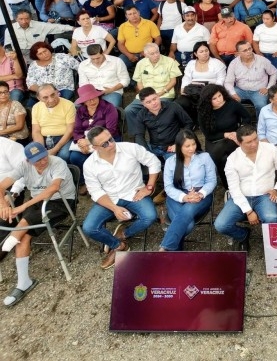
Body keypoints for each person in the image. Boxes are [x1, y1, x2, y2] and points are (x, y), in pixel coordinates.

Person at [0, 142, 76, 307]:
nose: (42, 161)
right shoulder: (23, 165)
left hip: (61, 202)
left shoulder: (57, 162)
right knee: (24, 236)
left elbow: (53, 188)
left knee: (23, 224)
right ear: (28, 161)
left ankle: (9, 241)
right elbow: (1, 186)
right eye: (37, 160)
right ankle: (23, 282)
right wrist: (3, 205)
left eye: (43, 157)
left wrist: (23, 206)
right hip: (37, 203)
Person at [82, 127, 160, 269]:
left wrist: (149, 187)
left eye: (111, 139)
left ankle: (123, 234)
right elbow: (95, 191)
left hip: (133, 193)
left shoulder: (130, 148)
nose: (111, 144)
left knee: (150, 216)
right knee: (89, 227)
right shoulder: (89, 165)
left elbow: (154, 162)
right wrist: (114, 208)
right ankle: (118, 245)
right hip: (109, 198)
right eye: (105, 144)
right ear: (95, 147)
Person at [214, 125, 277, 251]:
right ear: (239, 143)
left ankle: (271, 238)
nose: (254, 144)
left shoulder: (271, 149)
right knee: (220, 225)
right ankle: (243, 235)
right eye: (249, 142)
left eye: (255, 139)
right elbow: (234, 189)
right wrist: (249, 211)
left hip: (265, 195)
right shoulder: (232, 159)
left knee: (271, 218)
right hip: (241, 196)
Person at [159, 129, 216, 251]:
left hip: (201, 195)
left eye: (193, 144)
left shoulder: (204, 157)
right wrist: (184, 197)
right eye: (187, 146)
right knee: (187, 225)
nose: (192, 148)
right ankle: (175, 254)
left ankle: (165, 249)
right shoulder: (170, 162)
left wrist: (200, 194)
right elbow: (168, 187)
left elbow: (211, 181)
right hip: (176, 195)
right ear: (179, 146)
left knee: (185, 216)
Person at [132, 87, 193, 158]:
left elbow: (188, 123)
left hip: (172, 147)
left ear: (158, 96)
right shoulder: (141, 114)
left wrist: (180, 143)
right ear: (143, 104)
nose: (153, 103)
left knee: (173, 164)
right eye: (148, 102)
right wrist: (146, 152)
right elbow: (139, 135)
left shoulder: (173, 106)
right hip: (153, 147)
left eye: (154, 99)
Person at [224, 40, 277, 115]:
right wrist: (233, 94)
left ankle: (260, 122)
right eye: (245, 50)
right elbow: (228, 82)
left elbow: (274, 72)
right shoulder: (234, 64)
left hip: (258, 91)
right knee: (227, 101)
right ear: (238, 53)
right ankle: (237, 121)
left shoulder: (262, 60)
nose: (249, 52)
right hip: (240, 90)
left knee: (261, 105)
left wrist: (268, 88)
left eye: (249, 48)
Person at [30, 84, 75, 162]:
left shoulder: (69, 105)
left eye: (53, 95)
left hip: (64, 138)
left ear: (57, 92)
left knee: (63, 155)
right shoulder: (36, 107)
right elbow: (36, 131)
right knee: (32, 154)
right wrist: (41, 149)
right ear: (39, 98)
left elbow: (70, 131)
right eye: (45, 97)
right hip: (43, 139)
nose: (51, 100)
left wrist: (54, 150)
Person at [117, 6, 161, 71]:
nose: (133, 16)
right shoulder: (122, 26)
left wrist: (149, 51)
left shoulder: (149, 23)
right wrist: (129, 55)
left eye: (134, 13)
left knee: (148, 70)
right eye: (130, 14)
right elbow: (120, 44)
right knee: (118, 65)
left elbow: (158, 39)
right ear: (126, 16)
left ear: (139, 13)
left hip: (147, 53)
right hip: (129, 54)